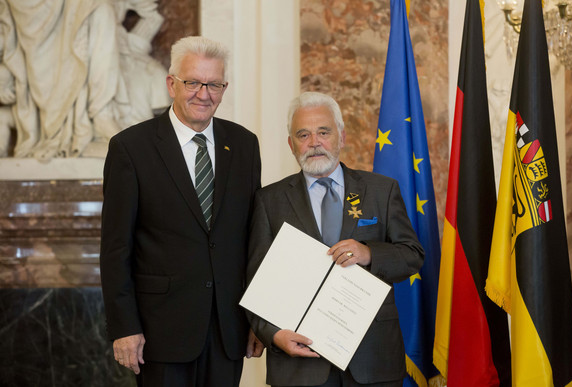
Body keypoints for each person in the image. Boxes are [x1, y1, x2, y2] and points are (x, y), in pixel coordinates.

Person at [100, 36, 263, 386]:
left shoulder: (245, 145)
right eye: (192, 82)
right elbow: (116, 248)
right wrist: (124, 327)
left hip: (228, 329)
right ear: (171, 83)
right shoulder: (130, 148)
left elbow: (253, 239)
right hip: (160, 332)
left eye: (214, 84)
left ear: (224, 87)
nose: (204, 94)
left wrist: (259, 319)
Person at [247, 92, 424, 387]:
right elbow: (254, 282)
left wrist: (369, 253)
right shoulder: (269, 201)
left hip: (373, 361)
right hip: (298, 366)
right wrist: (274, 334)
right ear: (291, 144)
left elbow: (413, 254)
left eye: (323, 132)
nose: (314, 142)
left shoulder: (381, 190)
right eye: (303, 134)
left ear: (341, 136)